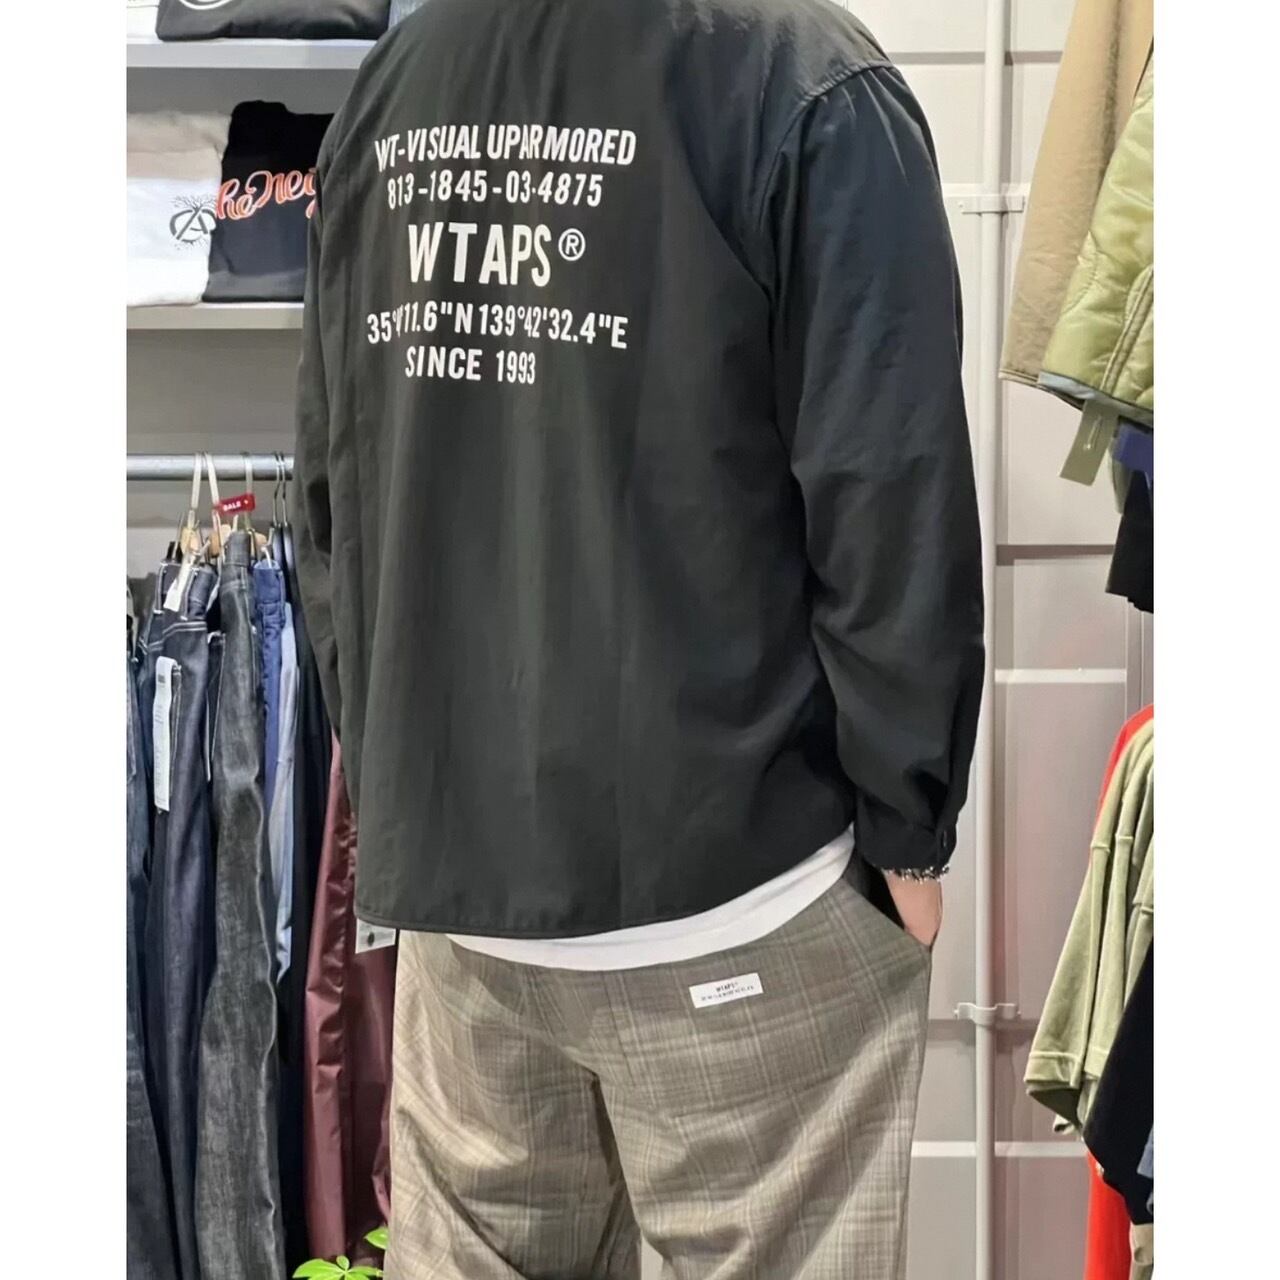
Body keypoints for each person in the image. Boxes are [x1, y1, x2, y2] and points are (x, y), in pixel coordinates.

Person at [295, 0, 983, 1275]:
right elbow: (888, 488)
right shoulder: (808, 83)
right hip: (742, 891)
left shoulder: (399, 82)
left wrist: (403, 794)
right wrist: (910, 820)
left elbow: (331, 504)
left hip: (468, 899)